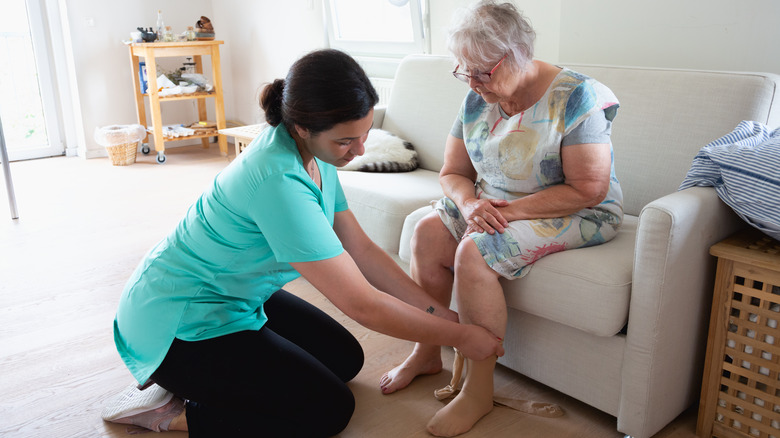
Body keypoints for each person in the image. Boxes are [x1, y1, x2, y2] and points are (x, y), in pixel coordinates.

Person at [101, 49, 504, 438]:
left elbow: (361, 250)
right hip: (177, 324)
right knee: (328, 411)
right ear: (301, 127)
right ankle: (172, 410)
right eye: (347, 141)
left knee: (345, 360)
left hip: (232, 296)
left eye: (364, 135)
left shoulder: (318, 157)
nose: (359, 151)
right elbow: (362, 304)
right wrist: (462, 337)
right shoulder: (277, 180)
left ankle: (204, 383)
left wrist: (441, 317)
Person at [378, 2, 623, 436]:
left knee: (476, 250)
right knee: (427, 231)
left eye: (481, 72)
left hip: (577, 209)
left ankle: (479, 389)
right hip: (494, 200)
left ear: (515, 55)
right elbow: (453, 173)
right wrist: (471, 204)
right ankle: (427, 350)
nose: (471, 83)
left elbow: (589, 188)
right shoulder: (478, 95)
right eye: (463, 71)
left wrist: (500, 213)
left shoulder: (578, 95)